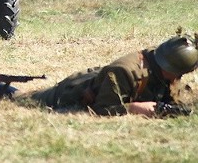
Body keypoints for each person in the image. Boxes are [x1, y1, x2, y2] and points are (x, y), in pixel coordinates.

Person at [25, 34, 198, 117]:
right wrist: (134, 108)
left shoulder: (162, 60)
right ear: (167, 66)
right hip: (67, 94)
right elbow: (101, 109)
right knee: (17, 96)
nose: (178, 78)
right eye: (178, 74)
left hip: (99, 79)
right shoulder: (124, 72)